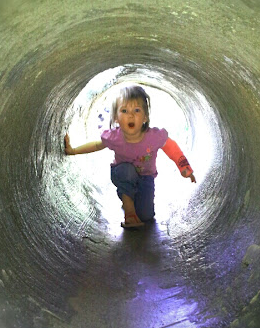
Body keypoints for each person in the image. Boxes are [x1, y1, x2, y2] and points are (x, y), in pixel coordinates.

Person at [64, 85, 196, 229]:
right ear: (116, 118)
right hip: (122, 174)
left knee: (146, 216)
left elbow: (171, 147)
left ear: (145, 117)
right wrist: (73, 150)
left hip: (146, 177)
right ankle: (129, 210)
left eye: (137, 110)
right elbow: (96, 145)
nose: (131, 115)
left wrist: (184, 167)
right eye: (124, 111)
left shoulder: (154, 137)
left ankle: (132, 200)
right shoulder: (115, 137)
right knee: (127, 171)